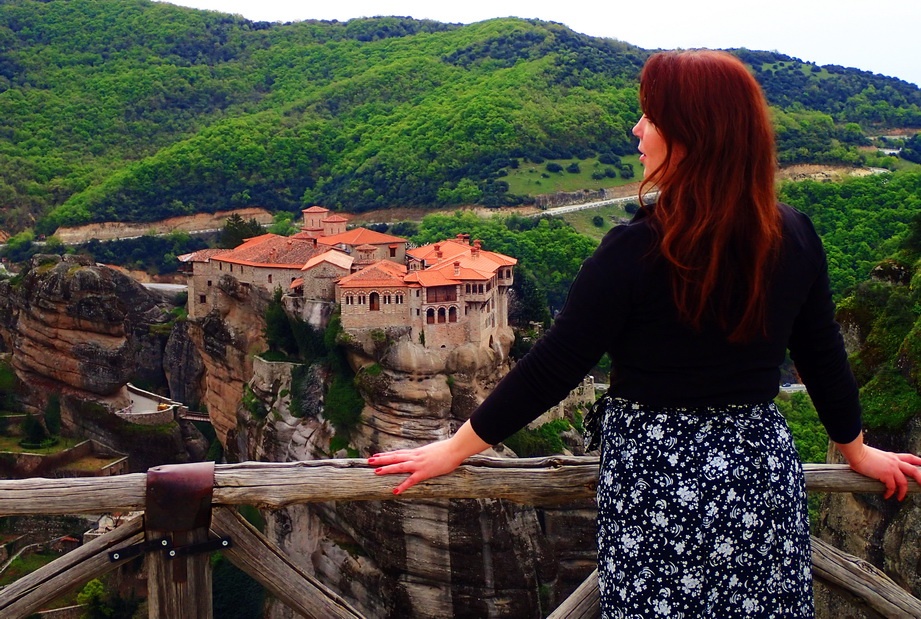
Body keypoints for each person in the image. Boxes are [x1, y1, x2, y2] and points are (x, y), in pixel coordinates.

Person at [367, 50, 921, 617]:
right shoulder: (792, 235)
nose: (637, 129)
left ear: (691, 133)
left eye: (651, 118)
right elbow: (821, 352)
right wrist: (855, 449)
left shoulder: (635, 250)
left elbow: (556, 365)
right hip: (759, 475)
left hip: (655, 482)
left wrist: (454, 450)